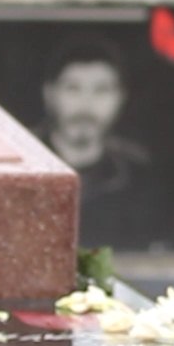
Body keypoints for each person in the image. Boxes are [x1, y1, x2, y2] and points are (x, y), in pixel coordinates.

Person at [39, 39, 155, 246]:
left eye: (101, 90)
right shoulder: (20, 167)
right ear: (49, 94)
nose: (86, 105)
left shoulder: (140, 177)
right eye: (73, 88)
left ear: (121, 98)